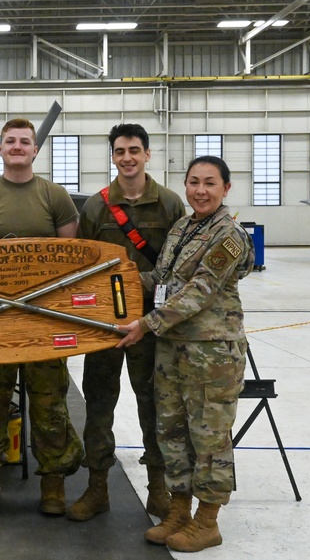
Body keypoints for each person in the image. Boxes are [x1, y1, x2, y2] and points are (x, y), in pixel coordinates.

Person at [115, 155, 253, 553]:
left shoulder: (229, 235)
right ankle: (179, 511)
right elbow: (162, 278)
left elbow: (200, 291)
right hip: (172, 348)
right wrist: (114, 280)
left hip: (211, 354)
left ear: (225, 188)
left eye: (210, 183)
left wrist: (145, 324)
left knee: (209, 438)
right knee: (171, 432)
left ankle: (207, 521)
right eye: (194, 182)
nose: (200, 190)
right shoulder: (183, 227)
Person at [0, 118, 85, 516]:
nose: (16, 147)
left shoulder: (55, 196)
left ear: (34, 149)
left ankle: (53, 483)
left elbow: (72, 258)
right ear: (0, 149)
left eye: (24, 141)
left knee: (49, 402)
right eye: (9, 141)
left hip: (43, 319)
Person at [69, 124, 185, 523]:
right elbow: (82, 267)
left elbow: (177, 269)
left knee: (154, 406)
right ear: (113, 156)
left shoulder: (169, 205)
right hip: (104, 326)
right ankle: (96, 486)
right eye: (120, 151)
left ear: (147, 154)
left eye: (134, 150)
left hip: (150, 325)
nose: (127, 158)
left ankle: (158, 486)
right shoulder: (97, 207)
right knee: (98, 404)